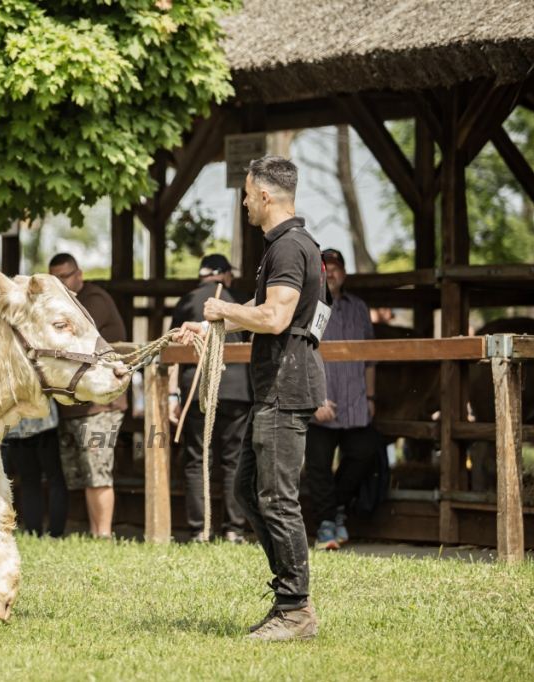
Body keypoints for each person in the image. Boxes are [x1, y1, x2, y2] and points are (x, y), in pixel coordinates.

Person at [174, 155, 326, 641]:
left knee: (277, 499)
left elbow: (277, 319)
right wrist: (217, 321)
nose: (242, 202)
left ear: (264, 195)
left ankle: (295, 610)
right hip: (275, 388)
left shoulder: (288, 248)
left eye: (245, 193)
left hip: (285, 388)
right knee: (246, 491)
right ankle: (288, 597)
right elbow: (273, 315)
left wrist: (222, 306)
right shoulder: (291, 246)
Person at [168, 254, 252, 544]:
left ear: (202, 275)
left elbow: (174, 347)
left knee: (196, 459)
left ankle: (200, 531)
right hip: (239, 387)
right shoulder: (242, 300)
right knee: (233, 460)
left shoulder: (187, 300)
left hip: (198, 385)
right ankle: (233, 531)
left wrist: (171, 395)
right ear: (226, 275)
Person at [47, 253, 127, 539]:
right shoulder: (65, 304)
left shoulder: (92, 300)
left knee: (98, 472)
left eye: (65, 277)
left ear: (78, 274)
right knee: (81, 475)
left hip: (101, 405)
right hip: (75, 405)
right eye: (55, 278)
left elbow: (74, 336)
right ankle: (94, 533)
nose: (61, 283)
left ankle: (103, 536)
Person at [305, 248, 377, 550]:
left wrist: (371, 396)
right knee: (318, 466)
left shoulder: (358, 307)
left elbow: (371, 357)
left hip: (355, 401)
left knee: (365, 452)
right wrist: (314, 398)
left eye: (335, 268)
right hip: (321, 402)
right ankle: (324, 525)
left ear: (343, 274)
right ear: (318, 273)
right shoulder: (308, 306)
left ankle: (336, 509)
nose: (331, 273)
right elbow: (300, 354)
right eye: (326, 268)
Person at [1, 408, 67, 538]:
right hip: (44, 421)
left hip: (15, 424)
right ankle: (55, 534)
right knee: (54, 478)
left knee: (29, 480)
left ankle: (32, 531)